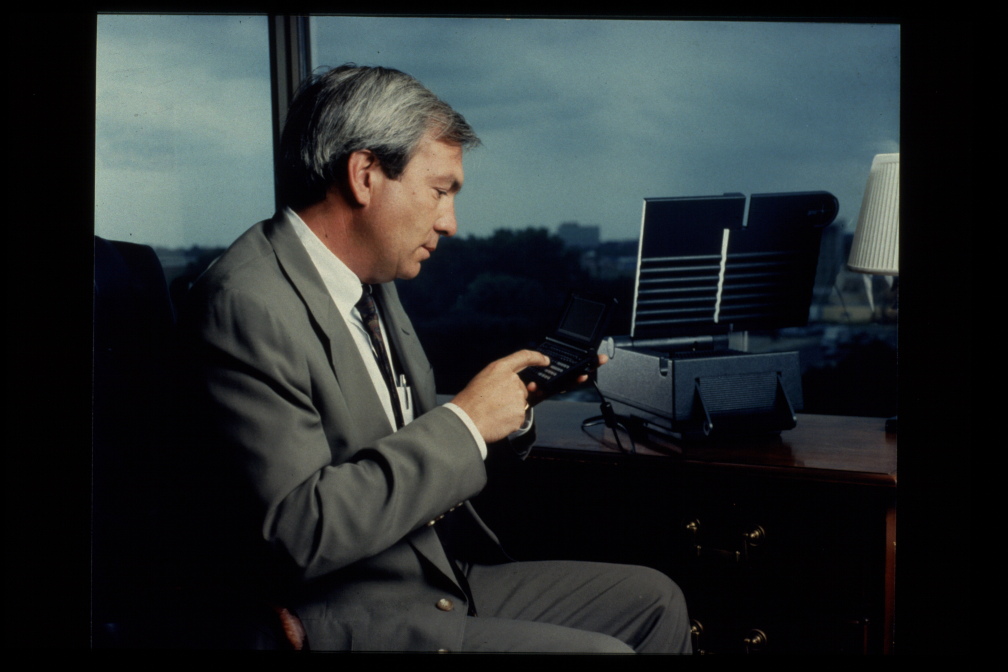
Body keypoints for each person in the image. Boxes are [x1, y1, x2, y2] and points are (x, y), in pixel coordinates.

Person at [171, 64, 692, 653]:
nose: (450, 222)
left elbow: (409, 446)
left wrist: (504, 416)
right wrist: (466, 421)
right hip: (358, 612)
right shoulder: (245, 304)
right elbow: (298, 529)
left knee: (657, 602)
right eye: (441, 191)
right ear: (365, 175)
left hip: (438, 571)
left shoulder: (372, 282)